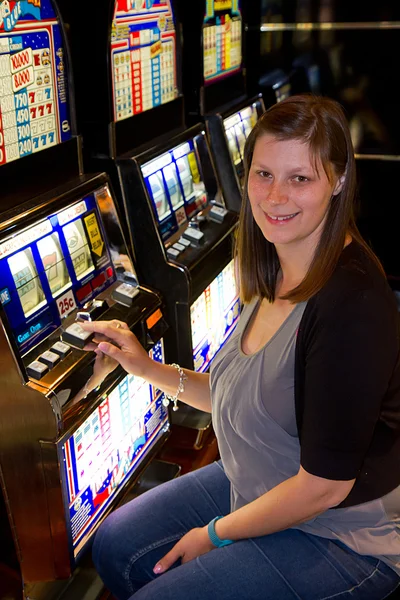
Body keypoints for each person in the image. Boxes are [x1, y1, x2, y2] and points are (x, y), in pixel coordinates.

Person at [81, 95, 400, 599]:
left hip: (343, 532)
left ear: (338, 181)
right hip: (266, 477)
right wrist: (142, 367)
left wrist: (213, 536)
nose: (275, 197)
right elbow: (246, 396)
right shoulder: (275, 262)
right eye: (263, 174)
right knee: (117, 544)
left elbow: (325, 486)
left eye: (301, 178)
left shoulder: (352, 305)